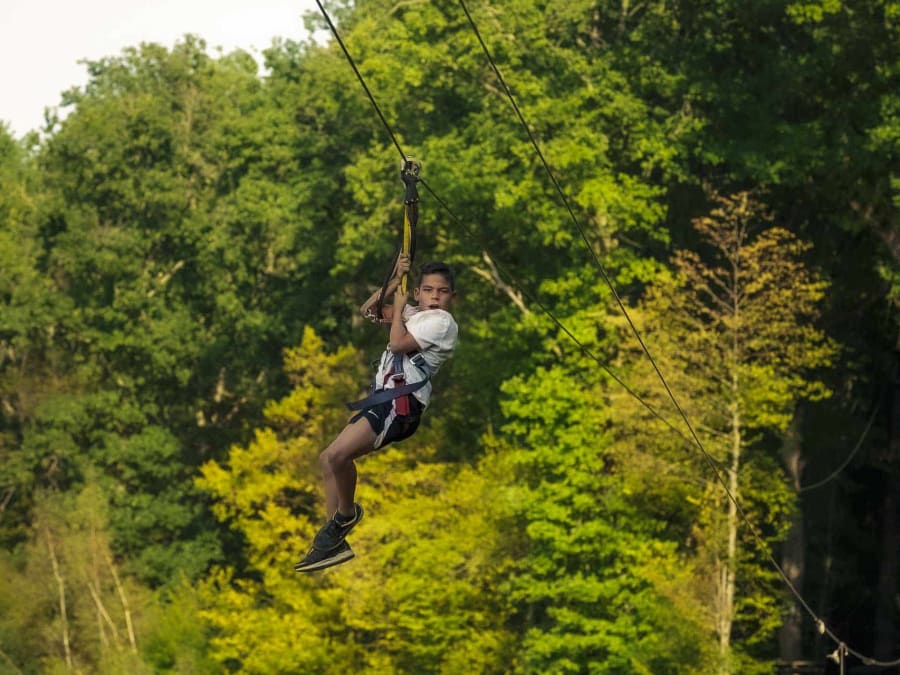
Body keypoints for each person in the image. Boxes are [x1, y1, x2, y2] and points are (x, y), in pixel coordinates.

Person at [294, 254, 458, 572]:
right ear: (417, 293)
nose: (435, 297)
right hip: (381, 401)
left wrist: (398, 309)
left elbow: (397, 344)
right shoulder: (414, 314)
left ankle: (345, 516)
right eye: (427, 290)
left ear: (452, 297)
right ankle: (333, 537)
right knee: (329, 458)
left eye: (442, 292)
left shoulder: (441, 323)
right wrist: (395, 279)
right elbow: (369, 310)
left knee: (339, 456)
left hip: (399, 405)